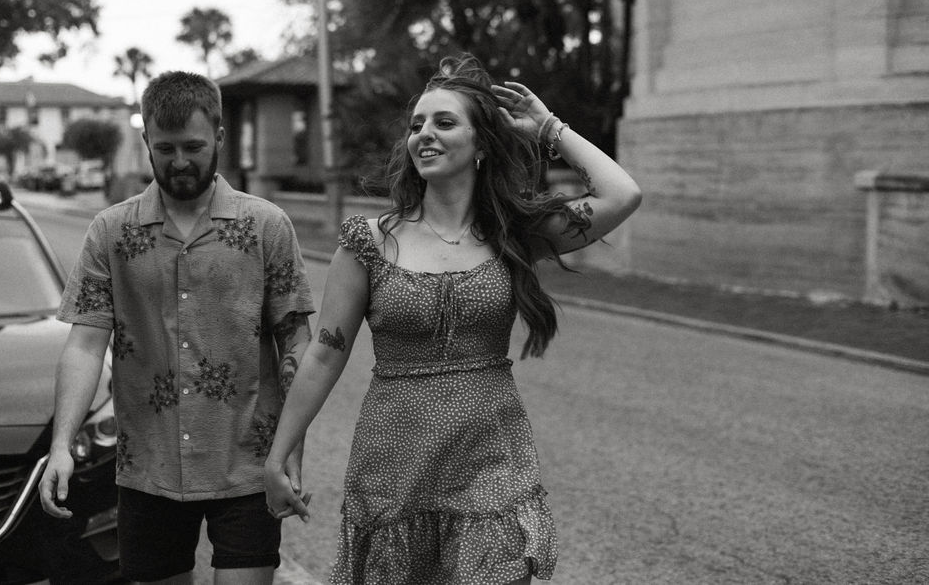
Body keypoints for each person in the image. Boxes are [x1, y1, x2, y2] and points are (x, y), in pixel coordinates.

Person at [264, 54, 642, 584]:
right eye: (417, 125)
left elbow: (623, 194)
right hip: (393, 462)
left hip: (491, 459)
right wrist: (279, 456)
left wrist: (550, 128)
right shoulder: (369, 243)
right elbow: (325, 353)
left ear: (481, 144)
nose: (425, 135)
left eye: (444, 122)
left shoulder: (515, 233)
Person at [39, 71, 315, 585]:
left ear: (219, 138)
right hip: (149, 468)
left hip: (250, 465)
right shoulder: (111, 231)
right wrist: (61, 444)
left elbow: (295, 341)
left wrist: (292, 451)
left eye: (193, 146)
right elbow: (84, 346)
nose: (180, 161)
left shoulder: (267, 226)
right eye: (165, 148)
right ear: (146, 143)